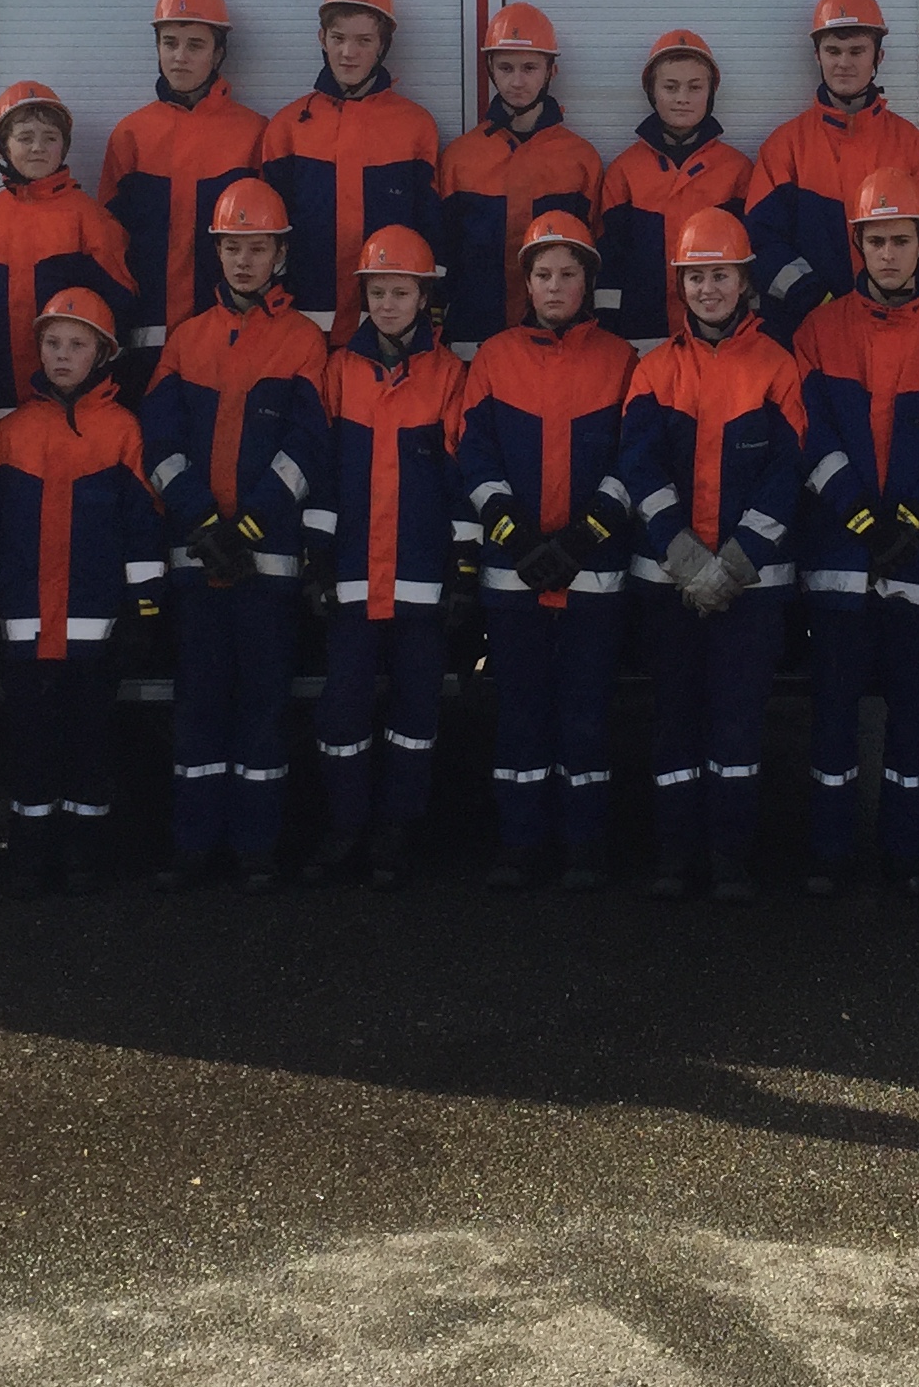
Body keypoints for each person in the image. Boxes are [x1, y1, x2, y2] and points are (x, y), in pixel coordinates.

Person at [790, 167, 919, 899]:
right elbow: (806, 432)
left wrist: (910, 520)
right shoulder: (818, 331)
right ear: (858, 246)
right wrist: (858, 512)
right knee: (834, 715)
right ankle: (829, 851)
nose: (888, 254)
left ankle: (908, 853)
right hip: (842, 560)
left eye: (901, 240)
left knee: (912, 719)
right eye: (875, 241)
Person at [144, 178, 330, 891]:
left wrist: (246, 526)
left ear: (280, 253)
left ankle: (256, 848)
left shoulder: (303, 341)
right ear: (215, 252)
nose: (245, 261)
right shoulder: (186, 341)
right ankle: (193, 846)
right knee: (197, 707)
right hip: (199, 563)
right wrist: (200, 519)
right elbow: (157, 443)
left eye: (258, 248)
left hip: (267, 565)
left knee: (262, 709)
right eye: (233, 248)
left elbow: (309, 449)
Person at [620, 211, 808, 901]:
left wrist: (733, 561)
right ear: (680, 285)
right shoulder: (654, 369)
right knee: (674, 717)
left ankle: (730, 854)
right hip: (671, 585)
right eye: (695, 277)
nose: (707, 289)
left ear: (744, 283)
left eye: (720, 276)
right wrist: (685, 558)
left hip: (748, 588)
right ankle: (675, 854)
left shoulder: (776, 367)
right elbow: (639, 469)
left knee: (736, 719)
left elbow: (789, 476)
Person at [450, 213, 638, 890]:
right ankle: (520, 843)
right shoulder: (495, 358)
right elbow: (474, 456)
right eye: (542, 274)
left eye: (567, 273)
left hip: (594, 575)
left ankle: (585, 845)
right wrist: (517, 537)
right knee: (521, 710)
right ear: (525, 282)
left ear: (588, 280)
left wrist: (585, 536)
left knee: (587, 711)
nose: (554, 286)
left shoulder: (621, 360)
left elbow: (635, 459)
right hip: (515, 575)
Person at [0, 286, 164, 898]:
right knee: (29, 748)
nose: (61, 355)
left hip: (97, 635)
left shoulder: (124, 431)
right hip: (23, 635)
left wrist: (145, 614)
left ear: (103, 355)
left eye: (76, 345)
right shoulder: (10, 434)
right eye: (52, 343)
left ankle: (84, 854)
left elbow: (143, 535)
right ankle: (30, 854)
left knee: (90, 746)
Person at [302, 228, 466, 888]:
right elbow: (322, 475)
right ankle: (345, 827)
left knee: (414, 716)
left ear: (425, 296)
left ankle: (397, 832)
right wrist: (316, 561)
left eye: (401, 291)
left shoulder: (450, 376)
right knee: (342, 712)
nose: (389, 303)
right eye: (378, 292)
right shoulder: (338, 371)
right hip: (349, 581)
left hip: (424, 584)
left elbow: (462, 483)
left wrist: (465, 575)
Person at [747, 0, 919, 335]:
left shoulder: (909, 143)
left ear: (877, 58)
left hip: (895, 328)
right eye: (833, 51)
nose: (843, 63)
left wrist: (890, 299)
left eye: (856, 51)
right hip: (806, 331)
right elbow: (762, 243)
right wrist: (817, 302)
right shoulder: (785, 146)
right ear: (817, 56)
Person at [98, 0, 265, 388]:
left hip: (232, 333)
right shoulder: (130, 135)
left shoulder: (255, 134)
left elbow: (272, 248)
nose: (180, 57)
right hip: (144, 337)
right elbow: (108, 247)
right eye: (170, 42)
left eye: (195, 45)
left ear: (218, 52)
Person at [260, 0, 442, 343]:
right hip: (303, 321)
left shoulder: (416, 127)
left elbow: (431, 228)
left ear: (383, 45)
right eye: (338, 38)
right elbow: (267, 237)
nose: (348, 52)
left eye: (363, 40)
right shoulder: (287, 127)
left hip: (386, 326)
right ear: (321, 38)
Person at [0, 81, 135, 420]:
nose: (38, 147)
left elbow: (119, 313)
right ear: (2, 147)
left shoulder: (91, 220)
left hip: (72, 404)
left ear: (64, 146)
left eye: (50, 137)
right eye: (24, 138)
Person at [435, 2, 604, 346]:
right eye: (506, 67)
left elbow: (597, 257)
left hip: (558, 339)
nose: (516, 81)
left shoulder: (581, 159)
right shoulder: (459, 157)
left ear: (551, 71)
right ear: (490, 69)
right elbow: (442, 252)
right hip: (473, 335)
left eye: (529, 67)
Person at [596, 29, 756, 346]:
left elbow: (751, 262)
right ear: (651, 92)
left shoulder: (737, 170)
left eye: (695, 87)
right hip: (640, 334)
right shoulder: (624, 171)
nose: (682, 97)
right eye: (670, 87)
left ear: (711, 93)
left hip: (719, 337)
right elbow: (609, 259)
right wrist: (607, 329)